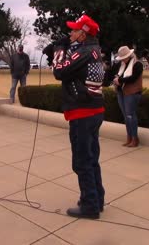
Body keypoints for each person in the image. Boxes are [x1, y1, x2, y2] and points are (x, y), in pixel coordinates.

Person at [52, 14, 105, 219]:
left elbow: (59, 71)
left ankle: (90, 205)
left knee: (82, 161)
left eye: (74, 30)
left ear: (83, 34)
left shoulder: (84, 51)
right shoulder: (94, 50)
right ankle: (96, 199)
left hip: (83, 111)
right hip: (94, 110)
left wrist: (59, 50)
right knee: (92, 158)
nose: (70, 33)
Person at [113, 46, 143, 147]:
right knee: (126, 116)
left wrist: (120, 80)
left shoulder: (137, 64)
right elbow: (117, 75)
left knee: (130, 115)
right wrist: (117, 79)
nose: (123, 60)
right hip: (121, 92)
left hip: (132, 93)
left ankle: (134, 138)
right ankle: (129, 137)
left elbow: (133, 78)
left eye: (124, 58)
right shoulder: (122, 65)